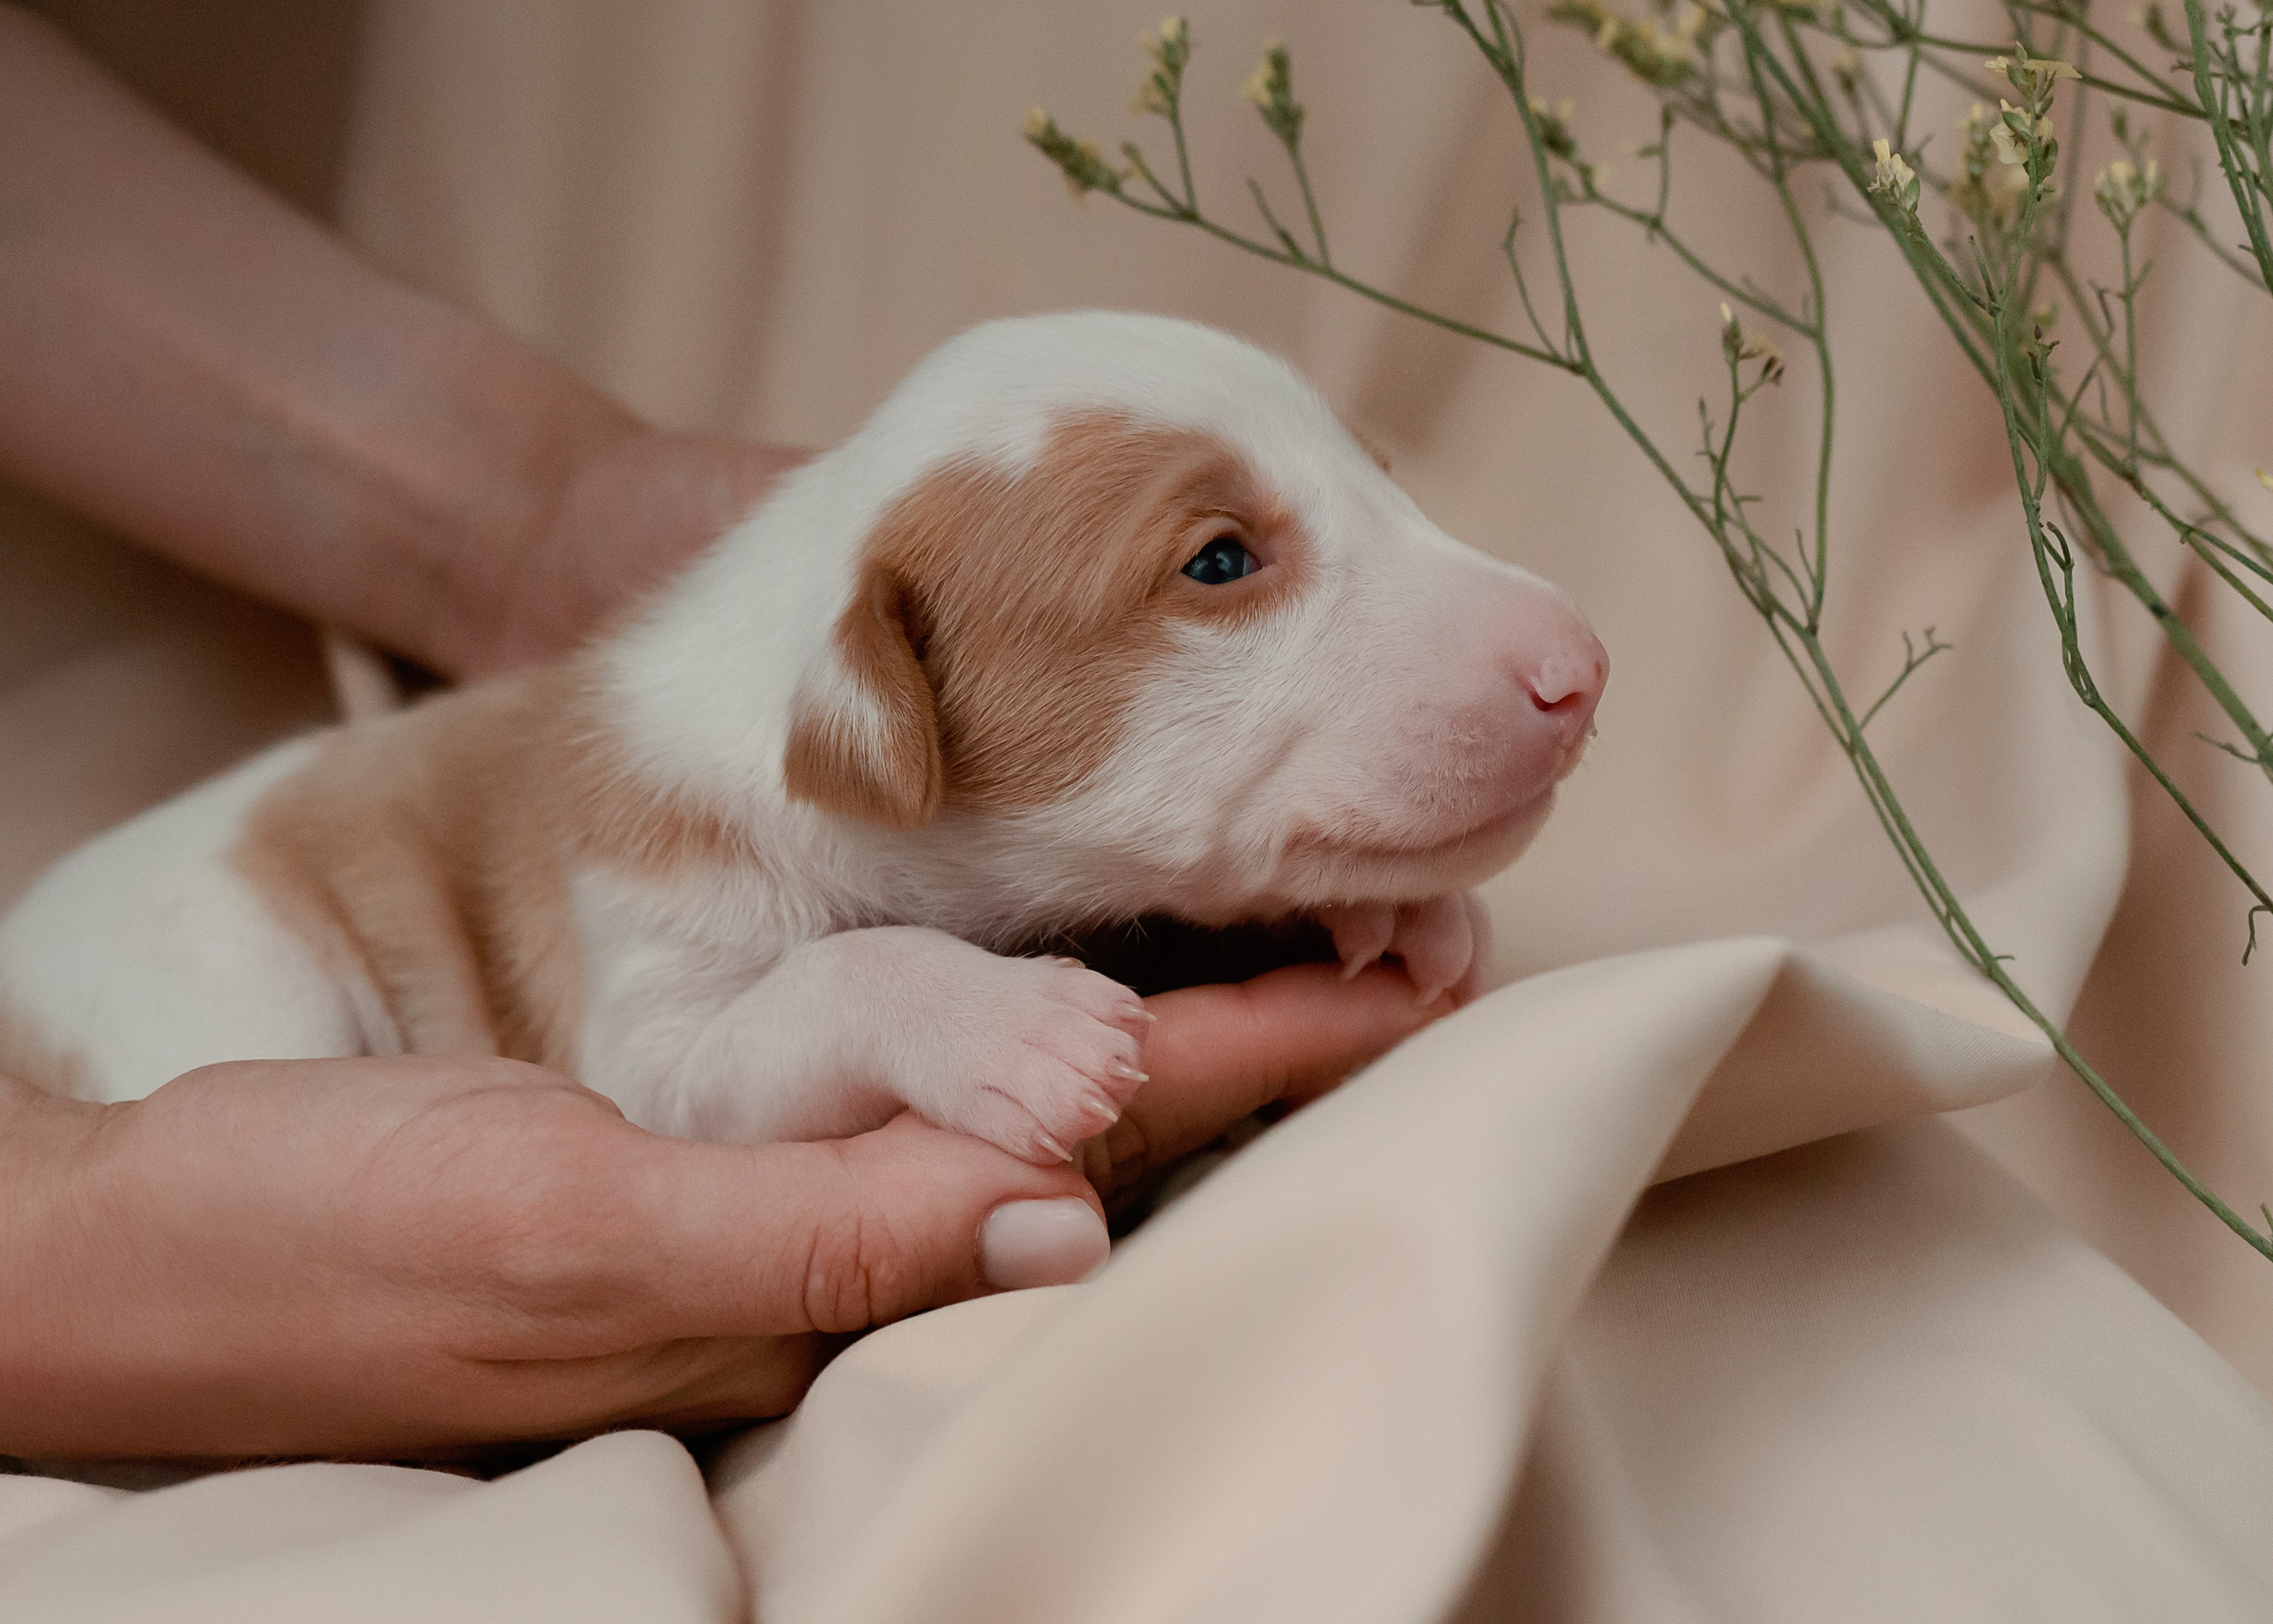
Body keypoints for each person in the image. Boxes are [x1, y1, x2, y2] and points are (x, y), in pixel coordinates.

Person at [0, 7, 1446, 1462]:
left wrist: (1313, 882)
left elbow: (1077, 837)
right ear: (877, 696)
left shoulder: (849, 691)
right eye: (1219, 562)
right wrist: (900, 1001)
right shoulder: (694, 781)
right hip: (138, 977)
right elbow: (675, 1070)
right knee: (253, 1017)